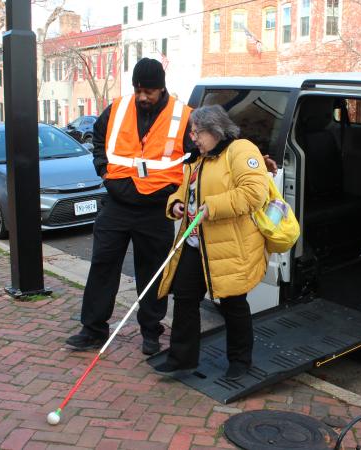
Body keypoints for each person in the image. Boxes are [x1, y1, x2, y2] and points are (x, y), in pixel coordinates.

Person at [65, 58, 194, 354]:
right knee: (102, 266)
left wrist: (176, 191)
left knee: (152, 273)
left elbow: (196, 154)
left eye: (149, 91)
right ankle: (93, 329)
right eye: (138, 89)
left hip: (156, 208)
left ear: (162, 88)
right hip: (117, 203)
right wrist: (103, 169)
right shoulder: (118, 108)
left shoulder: (183, 115)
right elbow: (98, 138)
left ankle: (151, 331)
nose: (142, 97)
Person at [154, 105, 270, 381]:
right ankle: (181, 359)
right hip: (195, 244)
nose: (193, 137)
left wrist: (211, 207)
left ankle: (240, 361)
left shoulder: (241, 150)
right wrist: (177, 204)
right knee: (184, 298)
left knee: (232, 303)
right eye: (192, 132)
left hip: (229, 246)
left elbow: (254, 193)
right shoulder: (198, 159)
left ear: (215, 130)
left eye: (197, 132)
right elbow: (182, 191)